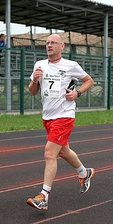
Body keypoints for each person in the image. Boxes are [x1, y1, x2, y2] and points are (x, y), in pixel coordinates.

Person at [26, 33, 95, 211]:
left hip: (64, 115)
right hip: (48, 116)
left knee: (50, 153)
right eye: (47, 43)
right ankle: (84, 172)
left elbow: (89, 81)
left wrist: (77, 93)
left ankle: (44, 197)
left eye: (53, 43)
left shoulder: (70, 65)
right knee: (63, 152)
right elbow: (33, 91)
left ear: (61, 46)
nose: (49, 46)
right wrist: (34, 79)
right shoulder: (39, 65)